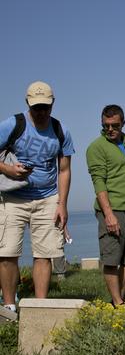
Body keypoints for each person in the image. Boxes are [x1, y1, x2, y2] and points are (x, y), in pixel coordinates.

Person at [0, 81, 74, 312]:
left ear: (53, 104)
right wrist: (7, 170)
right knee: (7, 252)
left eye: (45, 107)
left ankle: (40, 308)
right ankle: (10, 306)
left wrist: (62, 204)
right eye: (36, 107)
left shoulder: (61, 131)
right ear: (27, 104)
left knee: (45, 253)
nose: (41, 112)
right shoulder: (13, 124)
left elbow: (64, 170)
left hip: (48, 198)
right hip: (13, 197)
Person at [86, 104, 125, 307]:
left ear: (123, 124)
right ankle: (118, 303)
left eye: (114, 125)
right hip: (111, 210)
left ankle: (117, 298)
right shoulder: (96, 147)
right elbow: (99, 182)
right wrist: (109, 214)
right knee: (112, 259)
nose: (110, 130)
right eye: (105, 126)